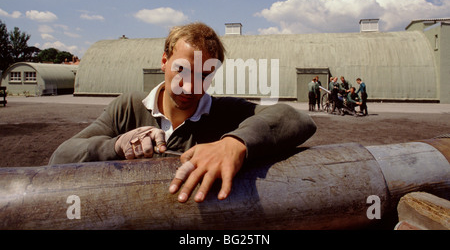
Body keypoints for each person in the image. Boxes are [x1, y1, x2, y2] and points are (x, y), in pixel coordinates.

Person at [49, 22, 317, 204]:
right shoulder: (128, 107)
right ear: (164, 61)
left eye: (203, 75)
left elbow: (298, 119)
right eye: (182, 70)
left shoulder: (226, 113)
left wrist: (234, 144)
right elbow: (60, 157)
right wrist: (116, 146)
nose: (190, 86)